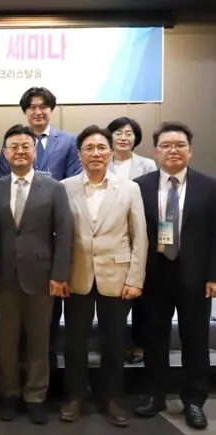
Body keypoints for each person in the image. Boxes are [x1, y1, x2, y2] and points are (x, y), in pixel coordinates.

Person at [59, 125, 147, 427]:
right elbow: (59, 235)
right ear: (79, 154)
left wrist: (135, 279)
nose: (95, 153)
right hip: (77, 276)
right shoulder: (65, 187)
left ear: (110, 153)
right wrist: (60, 274)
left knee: (114, 341)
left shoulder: (129, 188)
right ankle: (75, 396)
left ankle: (112, 398)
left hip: (117, 277)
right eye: (89, 148)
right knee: (75, 342)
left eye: (101, 148)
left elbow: (140, 237)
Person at [0, 124, 73, 425]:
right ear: (5, 153)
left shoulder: (54, 188)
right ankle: (8, 395)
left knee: (39, 339)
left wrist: (60, 274)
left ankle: (36, 396)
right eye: (14, 147)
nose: (20, 151)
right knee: (7, 340)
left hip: (42, 275)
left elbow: (64, 233)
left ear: (35, 151)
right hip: (5, 275)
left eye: (26, 146)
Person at [133, 121, 216, 430]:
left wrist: (213, 275)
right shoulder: (139, 186)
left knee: (195, 340)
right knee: (154, 338)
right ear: (156, 152)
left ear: (190, 150)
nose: (173, 150)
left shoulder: (209, 186)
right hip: (153, 275)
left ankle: (194, 401)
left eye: (180, 145)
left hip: (196, 277)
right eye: (166, 145)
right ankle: (155, 395)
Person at [105, 116, 157, 365]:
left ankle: (139, 345)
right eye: (118, 133)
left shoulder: (147, 165)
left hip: (140, 232)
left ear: (136, 138)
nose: (124, 137)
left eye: (129, 133)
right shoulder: (101, 161)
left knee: (140, 294)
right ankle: (112, 347)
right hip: (110, 236)